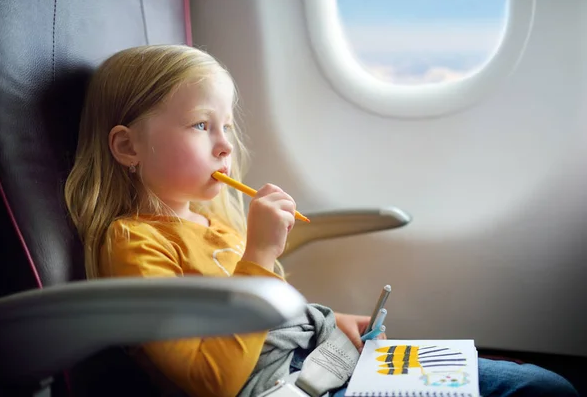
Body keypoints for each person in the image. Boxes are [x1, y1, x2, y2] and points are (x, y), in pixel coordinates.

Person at [64, 44, 578, 397]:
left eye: (225, 124)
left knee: (538, 384)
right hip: (287, 387)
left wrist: (328, 324)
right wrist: (260, 255)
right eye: (201, 125)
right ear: (128, 146)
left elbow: (267, 326)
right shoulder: (135, 242)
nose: (225, 144)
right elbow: (212, 381)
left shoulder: (211, 225)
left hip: (318, 360)